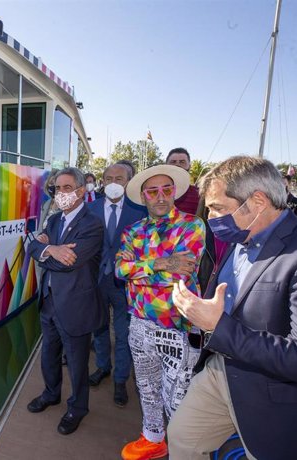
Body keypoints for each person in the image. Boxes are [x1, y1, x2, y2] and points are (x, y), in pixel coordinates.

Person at [168, 156, 297, 459]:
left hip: (277, 393)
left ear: (257, 201)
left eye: (219, 207)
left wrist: (217, 326)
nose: (211, 216)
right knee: (182, 439)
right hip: (221, 369)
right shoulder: (240, 235)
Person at [115, 165, 205, 460]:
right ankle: (153, 438)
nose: (161, 196)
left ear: (175, 192)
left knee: (177, 397)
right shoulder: (132, 231)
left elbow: (182, 272)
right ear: (143, 197)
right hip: (139, 324)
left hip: (177, 326)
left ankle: (183, 451)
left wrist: (141, 268)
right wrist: (161, 263)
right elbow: (120, 269)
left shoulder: (193, 226)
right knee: (146, 386)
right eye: (153, 191)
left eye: (167, 189)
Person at [26, 167, 105, 436]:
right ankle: (51, 394)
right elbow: (32, 246)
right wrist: (50, 249)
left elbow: (70, 263)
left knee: (77, 362)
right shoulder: (54, 220)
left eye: (66, 188)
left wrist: (45, 251)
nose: (60, 193)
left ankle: (78, 408)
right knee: (48, 354)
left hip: (75, 306)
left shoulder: (92, 224)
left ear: (81, 191)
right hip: (49, 302)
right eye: (57, 188)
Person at [88, 164, 148, 407]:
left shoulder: (140, 210)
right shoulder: (90, 208)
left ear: (129, 181)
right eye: (109, 178)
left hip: (126, 283)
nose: (114, 182)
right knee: (100, 328)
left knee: (123, 333)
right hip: (96, 280)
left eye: (119, 178)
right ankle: (103, 367)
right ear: (103, 180)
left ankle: (121, 379)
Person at [166, 147, 200, 214]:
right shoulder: (153, 192)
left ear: (189, 166)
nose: (177, 165)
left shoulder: (200, 194)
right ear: (166, 165)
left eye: (182, 162)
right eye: (173, 162)